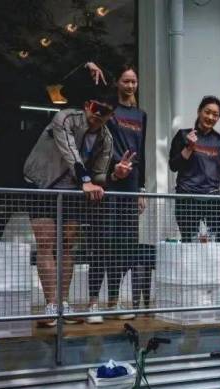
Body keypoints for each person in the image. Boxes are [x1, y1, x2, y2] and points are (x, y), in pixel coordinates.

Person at [23, 90, 116, 327]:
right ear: (87, 104)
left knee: (67, 245)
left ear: (111, 115)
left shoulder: (106, 138)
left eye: (105, 111)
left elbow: (100, 174)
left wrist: (116, 175)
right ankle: (51, 304)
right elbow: (70, 152)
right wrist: (86, 180)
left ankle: (63, 304)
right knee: (46, 242)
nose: (98, 114)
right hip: (43, 183)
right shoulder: (65, 118)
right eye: (95, 107)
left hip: (73, 190)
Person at [84, 62, 150, 323]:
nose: (130, 85)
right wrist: (90, 69)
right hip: (108, 181)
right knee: (103, 242)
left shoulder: (141, 115)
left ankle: (114, 301)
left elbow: (142, 153)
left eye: (134, 81)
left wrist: (142, 189)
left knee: (125, 245)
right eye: (126, 81)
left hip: (131, 186)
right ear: (117, 83)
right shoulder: (109, 109)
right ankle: (92, 303)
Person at [169, 95, 220, 305]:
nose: (210, 117)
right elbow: (173, 166)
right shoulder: (183, 135)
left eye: (215, 114)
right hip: (187, 198)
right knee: (191, 245)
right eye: (207, 112)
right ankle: (192, 293)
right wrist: (189, 148)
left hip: (211, 198)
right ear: (199, 111)